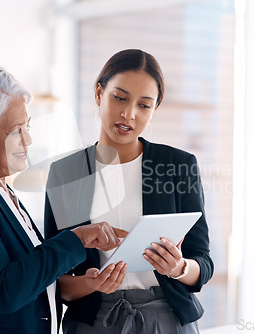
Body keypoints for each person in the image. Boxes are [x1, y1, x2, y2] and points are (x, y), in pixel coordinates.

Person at [0, 61, 127, 334]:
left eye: (27, 126)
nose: (28, 140)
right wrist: (76, 239)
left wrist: (88, 283)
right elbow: (4, 290)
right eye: (15, 130)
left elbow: (29, 277)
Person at [44, 49, 214, 334]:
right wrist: (91, 283)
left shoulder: (177, 166)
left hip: (166, 318)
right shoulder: (67, 174)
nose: (129, 113)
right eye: (119, 98)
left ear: (154, 111)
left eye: (144, 105)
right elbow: (52, 276)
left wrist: (178, 268)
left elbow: (203, 262)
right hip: (93, 320)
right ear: (99, 94)